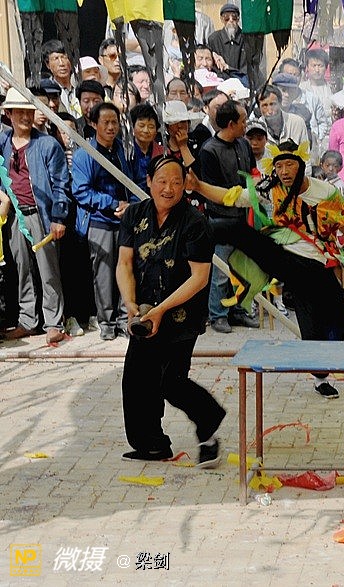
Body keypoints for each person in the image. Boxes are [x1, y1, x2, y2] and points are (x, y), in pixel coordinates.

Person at [189, 141, 344, 398]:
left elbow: (343, 221)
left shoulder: (325, 191)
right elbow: (231, 197)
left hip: (316, 266)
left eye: (289, 165)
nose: (284, 171)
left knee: (328, 321)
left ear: (301, 166)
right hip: (284, 258)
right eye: (279, 166)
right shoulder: (270, 189)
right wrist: (197, 186)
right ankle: (190, 237)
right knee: (235, 229)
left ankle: (320, 377)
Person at [116, 155, 225, 466]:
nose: (169, 188)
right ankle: (151, 444)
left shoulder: (195, 223)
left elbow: (200, 278)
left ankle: (208, 427)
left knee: (171, 382)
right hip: (144, 313)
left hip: (181, 315)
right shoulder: (134, 214)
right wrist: (130, 303)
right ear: (149, 181)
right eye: (162, 181)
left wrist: (161, 309)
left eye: (177, 182)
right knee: (136, 380)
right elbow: (124, 263)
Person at [0, 89, 70, 344]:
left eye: (29, 111)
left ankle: (54, 322)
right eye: (19, 112)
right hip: (15, 215)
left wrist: (58, 216)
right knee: (22, 269)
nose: (25, 117)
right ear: (9, 114)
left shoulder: (47, 144)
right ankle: (28, 320)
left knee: (48, 269)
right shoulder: (3, 142)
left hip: (41, 214)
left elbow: (61, 183)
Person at [71, 102, 142, 340]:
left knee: (126, 268)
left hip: (124, 219)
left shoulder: (121, 149)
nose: (111, 127)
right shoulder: (84, 154)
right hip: (99, 220)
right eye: (106, 123)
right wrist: (112, 204)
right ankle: (107, 323)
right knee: (103, 273)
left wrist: (130, 205)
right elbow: (81, 191)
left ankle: (124, 319)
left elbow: (130, 181)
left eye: (115, 122)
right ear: (94, 124)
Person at [196, 98, 259, 334]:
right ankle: (218, 314)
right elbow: (211, 189)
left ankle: (240, 310)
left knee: (243, 269)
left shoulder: (243, 145)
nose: (246, 125)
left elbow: (252, 173)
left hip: (245, 217)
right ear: (231, 124)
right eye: (243, 121)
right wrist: (239, 197)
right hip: (221, 220)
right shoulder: (209, 151)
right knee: (222, 272)